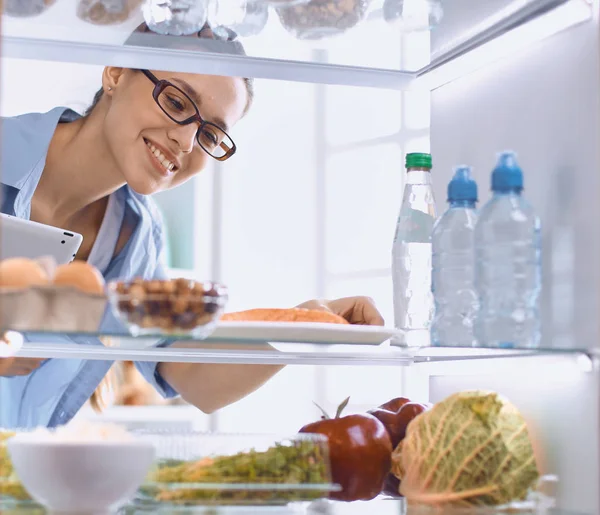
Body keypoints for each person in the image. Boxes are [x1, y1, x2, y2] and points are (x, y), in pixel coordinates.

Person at [0, 63, 384, 428]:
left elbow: (185, 371)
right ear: (115, 73)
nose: (186, 142)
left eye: (210, 136)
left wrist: (303, 321)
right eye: (176, 102)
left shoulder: (137, 236)